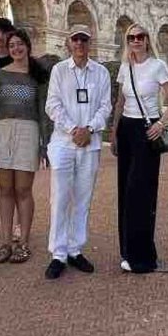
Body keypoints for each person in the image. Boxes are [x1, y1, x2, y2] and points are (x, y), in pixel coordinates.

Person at [42, 23, 111, 279]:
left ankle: (75, 249)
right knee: (60, 197)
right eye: (75, 40)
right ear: (69, 43)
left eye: (84, 39)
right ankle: (58, 253)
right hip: (63, 142)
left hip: (90, 143)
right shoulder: (60, 71)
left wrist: (89, 129)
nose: (80, 44)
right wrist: (73, 129)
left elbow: (105, 106)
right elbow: (53, 105)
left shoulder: (101, 73)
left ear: (89, 43)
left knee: (83, 198)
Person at [109, 24, 168, 274]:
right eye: (131, 37)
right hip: (126, 130)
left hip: (147, 131)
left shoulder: (158, 66)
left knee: (141, 193)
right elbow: (120, 102)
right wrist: (114, 133)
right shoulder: (125, 67)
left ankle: (144, 257)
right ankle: (127, 251)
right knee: (125, 192)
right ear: (127, 41)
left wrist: (161, 123)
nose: (136, 40)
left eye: (140, 36)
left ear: (148, 40)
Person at [0, 26, 49, 264]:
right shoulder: (0, 75)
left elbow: (43, 112)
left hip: (28, 131)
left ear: (27, 46)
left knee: (23, 189)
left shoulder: (38, 74)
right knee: (5, 189)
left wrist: (44, 144)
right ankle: (6, 241)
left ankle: (24, 242)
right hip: (2, 131)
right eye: (11, 46)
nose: (16, 49)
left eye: (20, 44)